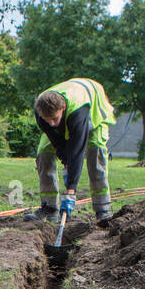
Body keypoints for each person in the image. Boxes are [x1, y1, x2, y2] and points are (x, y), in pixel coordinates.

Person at [25, 78, 117, 227]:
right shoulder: (41, 113)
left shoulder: (77, 112)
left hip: (94, 112)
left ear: (63, 108)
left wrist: (71, 191)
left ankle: (103, 210)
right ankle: (49, 208)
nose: (52, 123)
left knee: (95, 154)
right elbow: (57, 142)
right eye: (48, 120)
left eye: (54, 118)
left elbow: (77, 150)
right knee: (43, 153)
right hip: (70, 112)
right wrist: (66, 163)